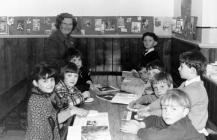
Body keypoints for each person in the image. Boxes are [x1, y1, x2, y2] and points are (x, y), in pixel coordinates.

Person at [25, 63, 88, 140]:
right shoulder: (36, 101)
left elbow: (56, 114)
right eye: (45, 81)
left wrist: (72, 109)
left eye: (51, 80)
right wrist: (72, 111)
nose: (50, 84)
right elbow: (50, 123)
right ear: (35, 83)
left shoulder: (46, 95)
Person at [121, 89, 206, 140]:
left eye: (174, 109)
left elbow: (155, 138)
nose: (167, 112)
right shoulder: (172, 118)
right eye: (165, 108)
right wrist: (141, 124)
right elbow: (154, 119)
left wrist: (138, 130)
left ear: (185, 112)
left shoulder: (182, 127)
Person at [178, 50, 208, 134]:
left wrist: (149, 111)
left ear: (193, 71)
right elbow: (170, 95)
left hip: (192, 132)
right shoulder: (186, 84)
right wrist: (148, 108)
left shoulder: (194, 90)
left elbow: (174, 107)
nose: (178, 68)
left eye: (181, 66)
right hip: (185, 126)